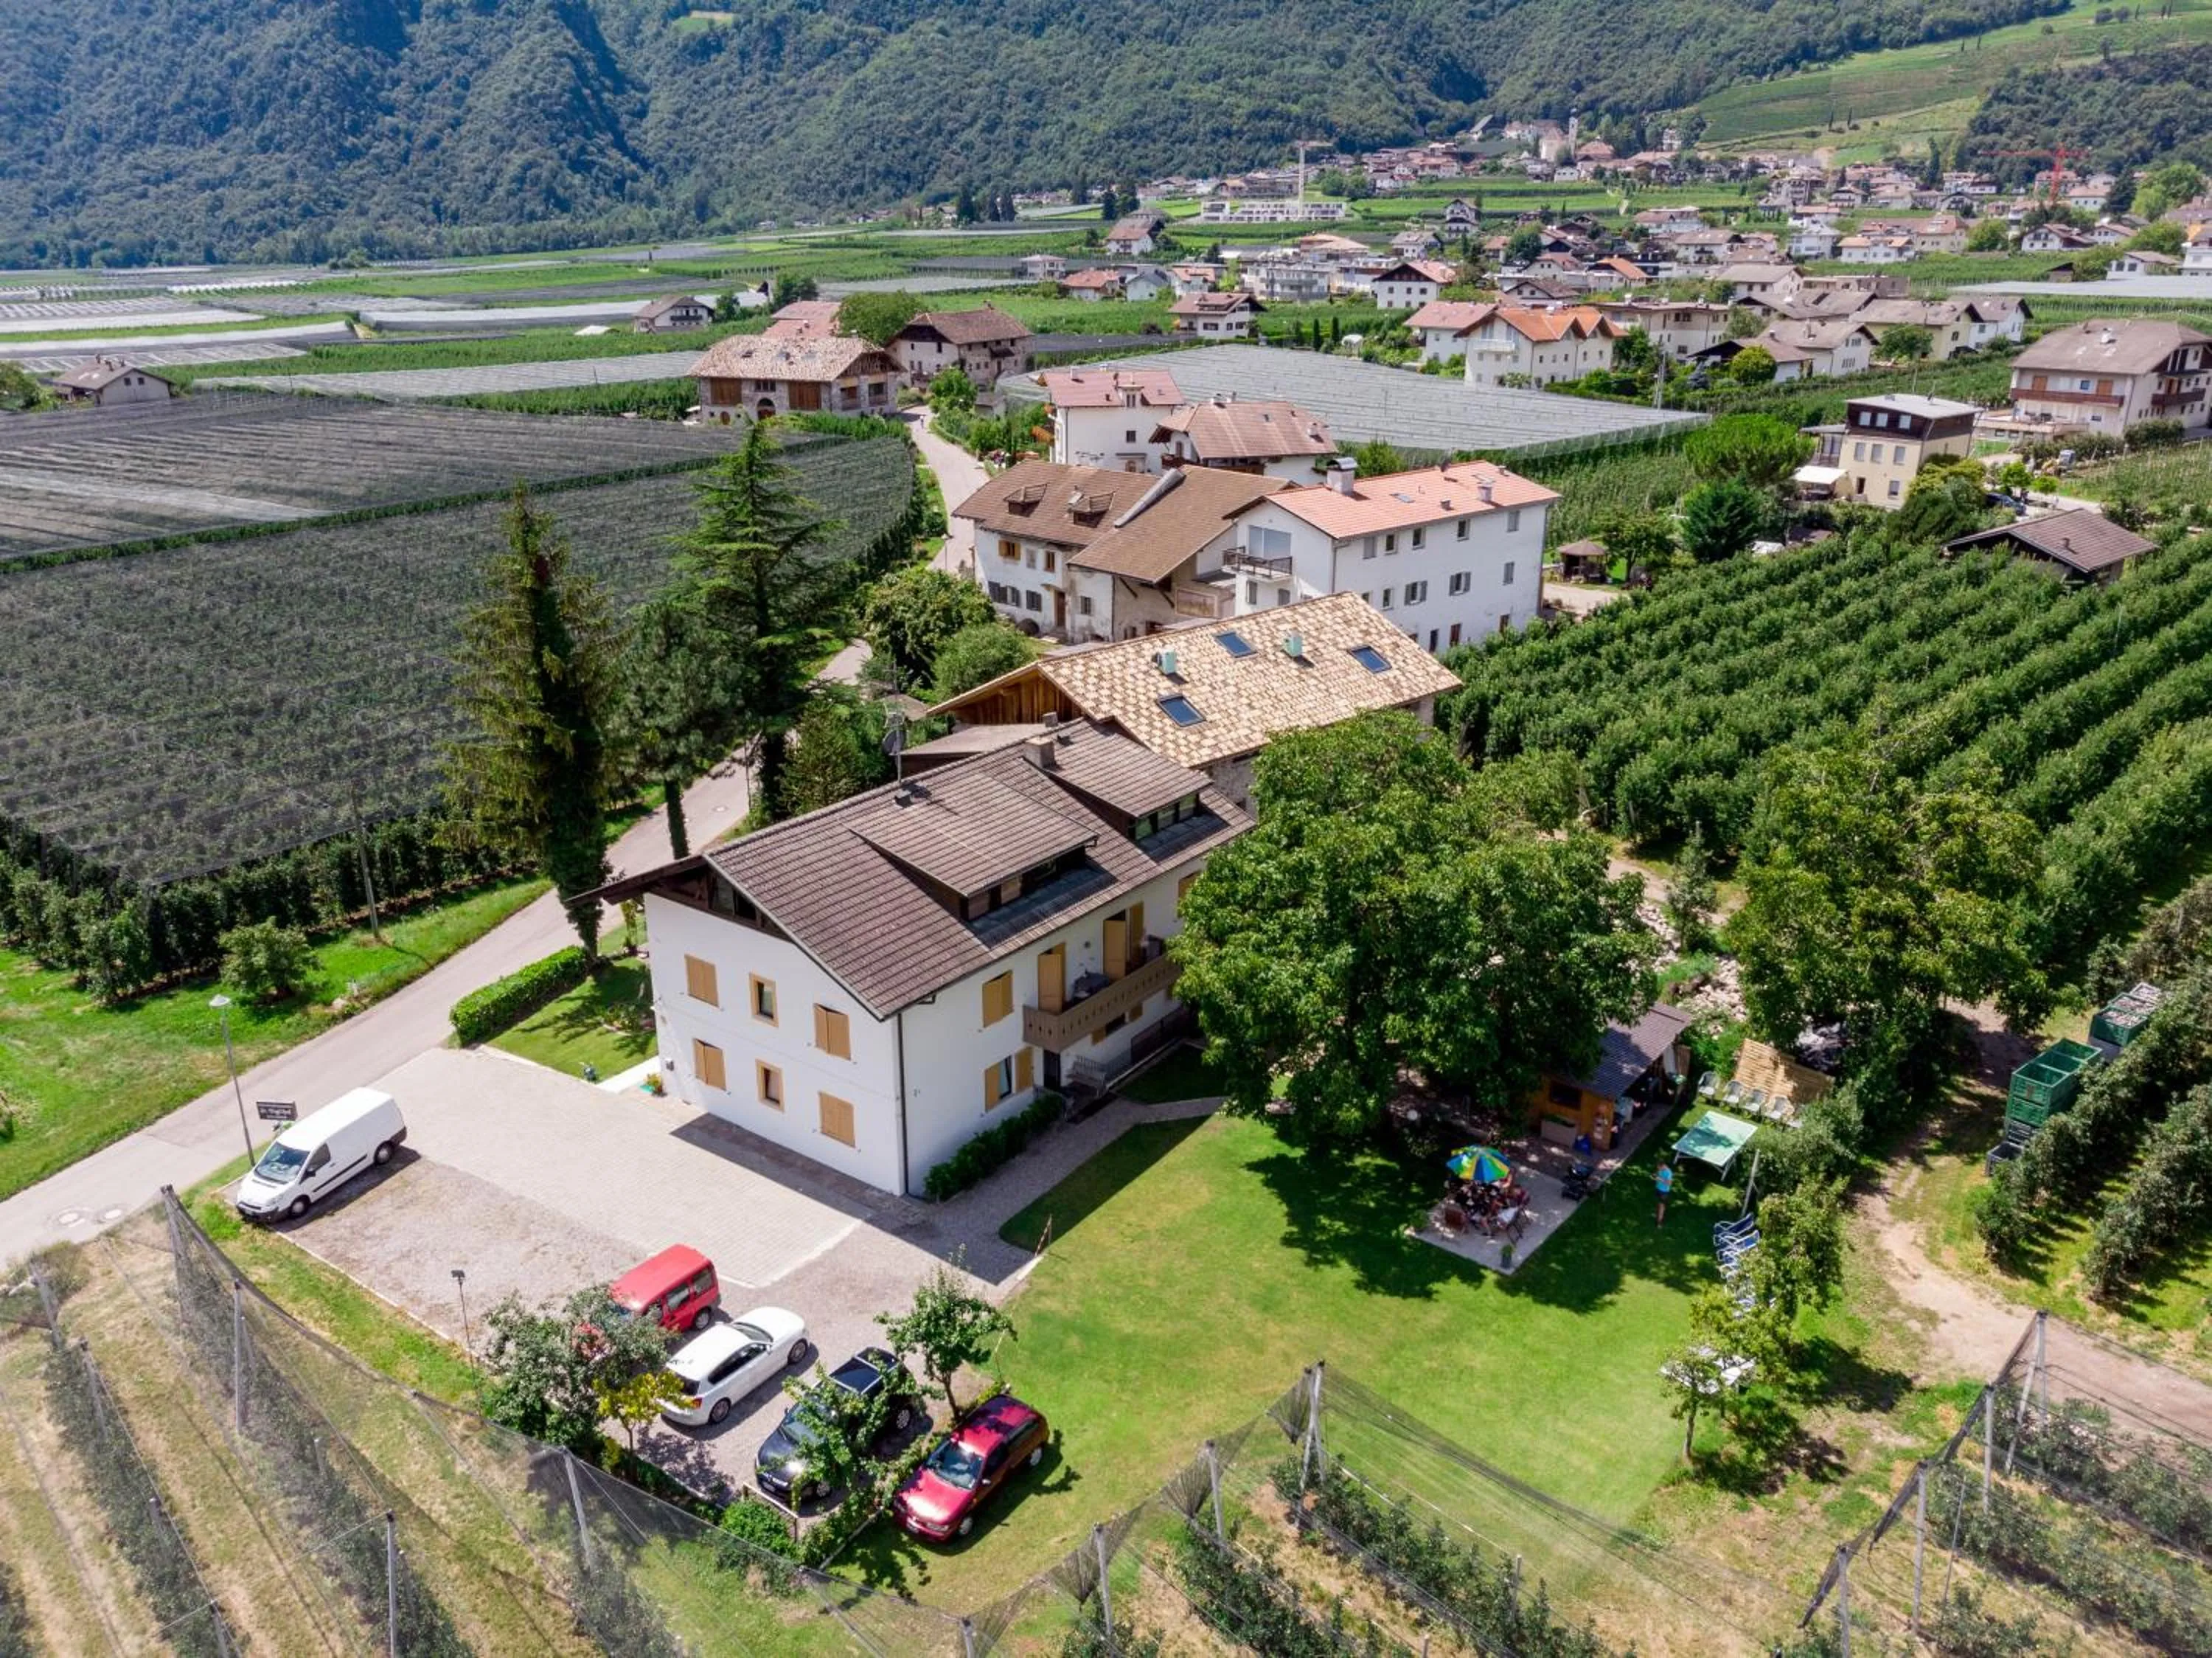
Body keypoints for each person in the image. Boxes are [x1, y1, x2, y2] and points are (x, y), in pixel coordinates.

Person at [1655, 1161, 1674, 1227]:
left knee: (1662, 1206)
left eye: (1659, 1168)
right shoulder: (1661, 1169)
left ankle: (1659, 1222)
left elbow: (1669, 1183)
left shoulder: (1669, 1173)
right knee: (1659, 1204)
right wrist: (1656, 1176)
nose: (1658, 1169)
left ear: (1663, 1166)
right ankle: (1658, 1214)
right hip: (1658, 1189)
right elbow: (1658, 1174)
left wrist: (1660, 1179)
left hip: (1664, 1192)